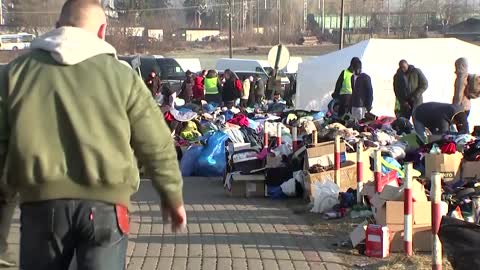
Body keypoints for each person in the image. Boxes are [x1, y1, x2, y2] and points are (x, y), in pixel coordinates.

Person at [0, 1, 186, 269]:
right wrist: (172, 195)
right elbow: (156, 142)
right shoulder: (123, 77)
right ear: (102, 31)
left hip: (41, 207)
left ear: (57, 27)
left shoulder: (15, 74)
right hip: (106, 209)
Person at [452, 57, 471, 131]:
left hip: (461, 107)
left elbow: (459, 94)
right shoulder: (467, 75)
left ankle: (464, 141)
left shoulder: (461, 78)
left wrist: (455, 107)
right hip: (467, 106)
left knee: (462, 129)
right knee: (463, 126)